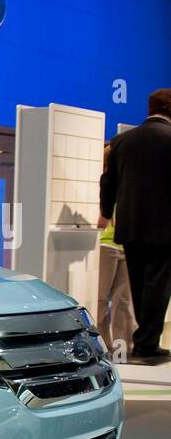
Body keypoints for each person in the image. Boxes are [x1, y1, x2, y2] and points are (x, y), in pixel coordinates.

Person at [100, 88, 171, 363]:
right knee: (158, 284)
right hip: (164, 227)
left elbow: (108, 182)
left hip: (129, 226)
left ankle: (145, 339)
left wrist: (106, 213)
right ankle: (146, 343)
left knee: (140, 284)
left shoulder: (122, 141)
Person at [96, 143, 136, 355]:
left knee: (123, 301)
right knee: (101, 300)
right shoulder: (105, 182)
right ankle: (105, 348)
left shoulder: (129, 183)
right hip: (104, 245)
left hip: (126, 245)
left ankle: (123, 350)